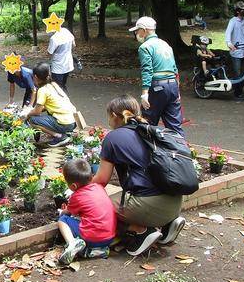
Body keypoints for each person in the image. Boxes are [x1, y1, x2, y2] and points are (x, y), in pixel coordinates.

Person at [92, 95, 186, 256]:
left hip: (148, 205)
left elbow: (101, 180)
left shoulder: (113, 138)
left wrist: (80, 189)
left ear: (114, 115)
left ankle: (141, 231)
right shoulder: (150, 131)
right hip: (176, 202)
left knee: (99, 206)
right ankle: (168, 225)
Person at [129, 16, 184, 135]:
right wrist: (177, 90)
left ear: (144, 30)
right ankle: (180, 146)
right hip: (172, 85)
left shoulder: (145, 47)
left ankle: (147, 146)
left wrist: (145, 94)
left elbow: (147, 70)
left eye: (137, 30)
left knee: (146, 123)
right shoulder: (165, 45)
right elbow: (175, 69)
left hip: (157, 87)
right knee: (175, 125)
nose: (136, 33)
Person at [56, 158, 116, 266]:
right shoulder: (99, 187)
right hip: (109, 237)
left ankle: (72, 243)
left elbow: (67, 213)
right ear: (91, 176)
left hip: (92, 237)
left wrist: (62, 211)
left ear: (73, 186)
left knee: (63, 220)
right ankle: (96, 251)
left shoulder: (76, 196)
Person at [23, 62, 76, 147]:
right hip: (72, 121)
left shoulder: (42, 90)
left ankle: (59, 136)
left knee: (32, 119)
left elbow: (37, 112)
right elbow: (48, 106)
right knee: (41, 116)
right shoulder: (53, 85)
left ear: (35, 77)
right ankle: (61, 132)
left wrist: (27, 113)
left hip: (65, 123)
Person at [224, 1, 244, 80]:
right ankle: (237, 87)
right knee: (238, 73)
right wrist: (229, 43)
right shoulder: (233, 21)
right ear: (237, 11)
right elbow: (228, 33)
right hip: (235, 51)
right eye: (243, 9)